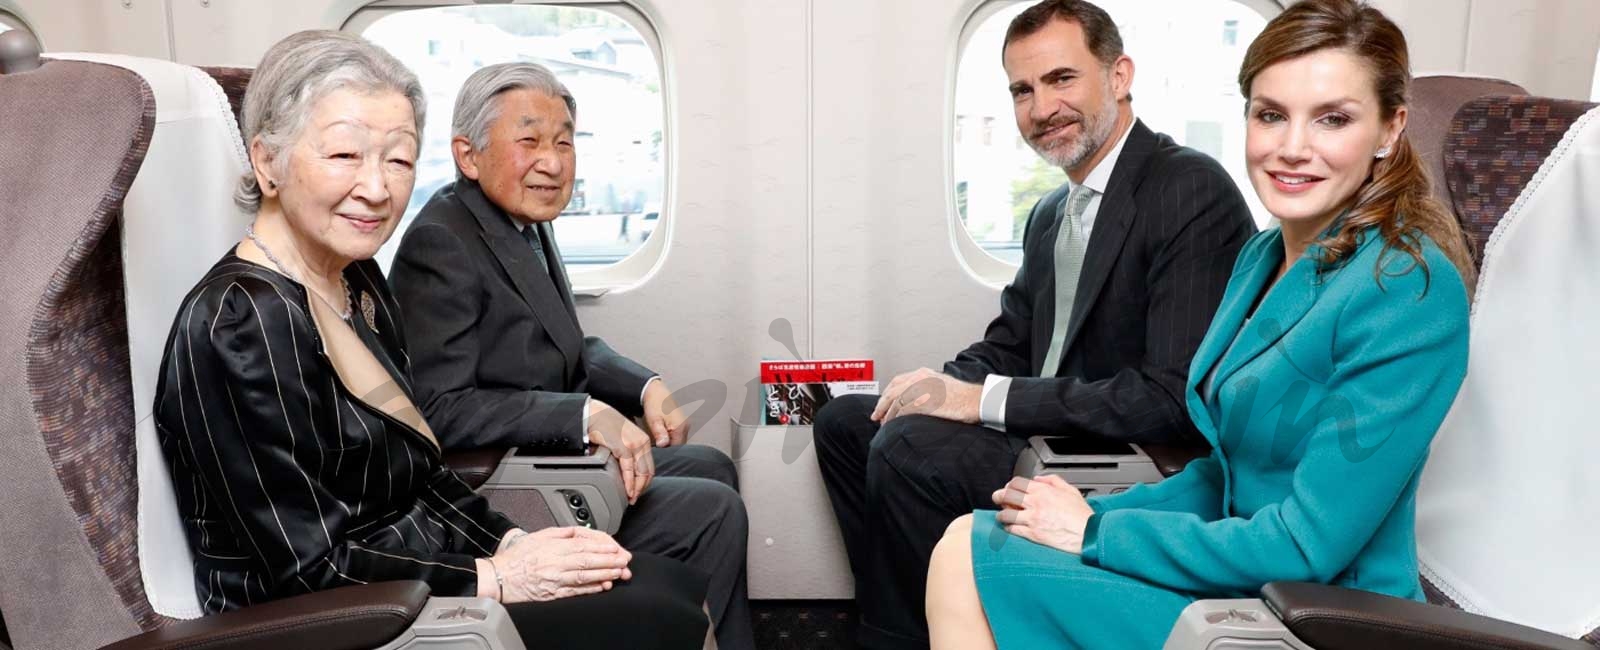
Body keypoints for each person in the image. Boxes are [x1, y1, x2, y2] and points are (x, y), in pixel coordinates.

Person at [925, 0, 1478, 647]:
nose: (1292, 148)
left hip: (1319, 613)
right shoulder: (1262, 257)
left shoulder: (1406, 288)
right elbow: (1225, 476)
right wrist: (1084, 512)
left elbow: (1307, 544)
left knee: (967, 561)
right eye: (1271, 115)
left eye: (1332, 119)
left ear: (1390, 130)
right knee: (971, 534)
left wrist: (1097, 533)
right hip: (1243, 575)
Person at [153, 31, 712, 648]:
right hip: (342, 620)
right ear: (267, 162)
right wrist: (494, 577)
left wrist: (511, 541)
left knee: (664, 585)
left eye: (398, 159)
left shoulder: (355, 282)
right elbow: (307, 568)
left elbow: (421, 476)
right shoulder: (243, 322)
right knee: (661, 614)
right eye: (344, 157)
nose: (377, 188)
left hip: (413, 574)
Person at [813, 0, 1256, 645]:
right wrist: (938, 387)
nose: (1041, 108)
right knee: (851, 423)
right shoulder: (1052, 212)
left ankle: (897, 637)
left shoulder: (1187, 188)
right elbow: (1014, 341)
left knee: (909, 451)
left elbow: (1169, 398)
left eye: (1061, 79)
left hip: (1127, 453)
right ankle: (914, 615)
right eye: (1022, 90)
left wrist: (981, 400)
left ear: (1120, 75)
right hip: (1053, 429)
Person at [387, 63, 752, 650]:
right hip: (499, 481)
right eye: (529, 141)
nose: (553, 163)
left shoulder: (520, 221)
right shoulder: (444, 242)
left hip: (545, 457)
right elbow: (439, 406)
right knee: (711, 509)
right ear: (468, 155)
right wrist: (582, 414)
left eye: (564, 142)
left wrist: (643, 386)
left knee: (711, 466)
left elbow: (561, 341)